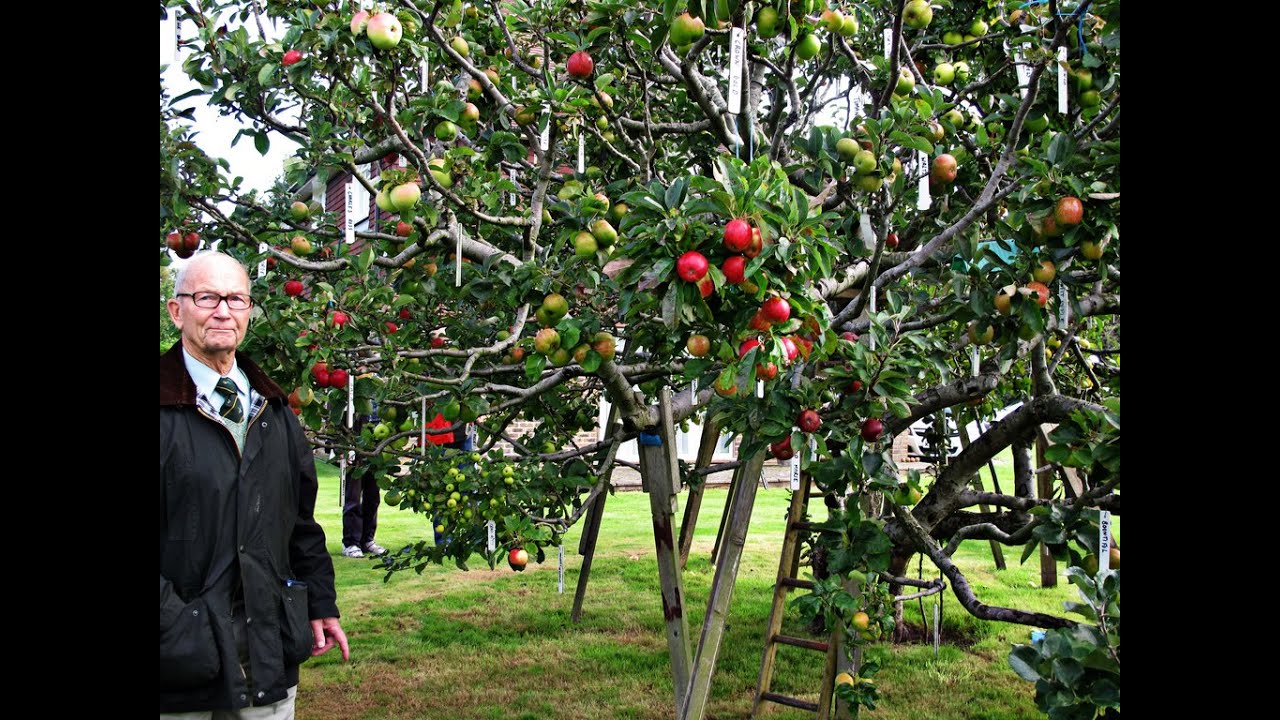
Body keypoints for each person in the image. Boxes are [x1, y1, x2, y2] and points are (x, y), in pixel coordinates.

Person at [160, 251, 349, 717]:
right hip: (176, 665)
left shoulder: (273, 411)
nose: (222, 311)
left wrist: (320, 602)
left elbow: (299, 521)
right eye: (206, 297)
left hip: (268, 654)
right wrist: (178, 628)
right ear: (176, 309)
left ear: (248, 311)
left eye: (235, 299)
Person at [342, 413, 387, 558]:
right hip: (355, 448)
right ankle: (351, 542)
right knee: (353, 498)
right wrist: (343, 448)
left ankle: (367, 539)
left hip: (376, 449)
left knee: (373, 497)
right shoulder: (352, 393)